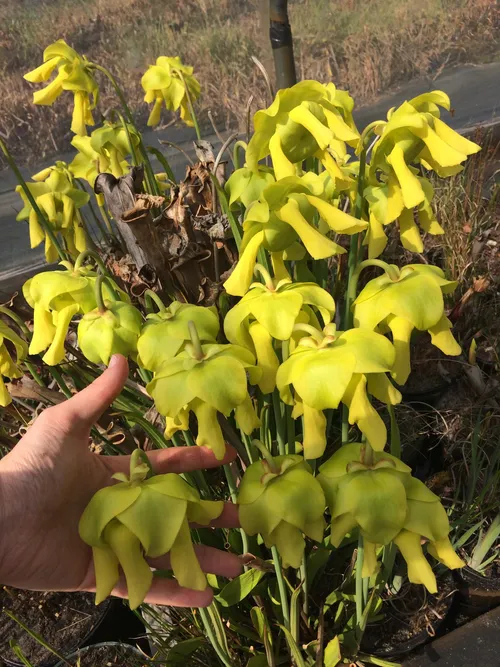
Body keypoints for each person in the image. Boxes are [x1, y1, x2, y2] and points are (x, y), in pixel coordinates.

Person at [0, 354, 242, 607]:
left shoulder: (109, 500)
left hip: (126, 508)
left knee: (135, 533)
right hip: (130, 508)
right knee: (136, 533)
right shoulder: (112, 499)